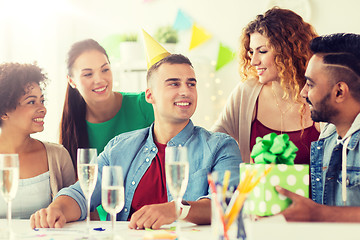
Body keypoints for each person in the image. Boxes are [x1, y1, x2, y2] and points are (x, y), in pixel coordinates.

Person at [30, 54, 242, 229]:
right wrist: (57, 209)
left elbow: (227, 203)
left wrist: (177, 209)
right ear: (150, 95)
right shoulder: (119, 147)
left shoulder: (220, 146)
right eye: (174, 84)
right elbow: (81, 193)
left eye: (191, 84)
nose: (185, 91)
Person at [61, 39, 154, 220]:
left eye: (105, 69)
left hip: (153, 218)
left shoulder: (145, 105)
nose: (100, 79)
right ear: (72, 81)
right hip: (106, 226)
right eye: (88, 74)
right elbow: (81, 193)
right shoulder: (72, 128)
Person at [212, 7, 320, 164]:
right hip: (256, 189)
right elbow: (213, 143)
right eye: (251, 52)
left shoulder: (320, 94)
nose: (254, 61)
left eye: (262, 51)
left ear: (288, 52)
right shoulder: (247, 92)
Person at [276, 33, 360, 221]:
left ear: (339, 91)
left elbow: (320, 213)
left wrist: (319, 214)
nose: (303, 92)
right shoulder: (326, 141)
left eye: (310, 84)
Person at [0, 63, 76, 219]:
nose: (43, 109)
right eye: (31, 102)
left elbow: (77, 208)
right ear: (4, 112)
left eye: (42, 100)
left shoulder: (58, 156)